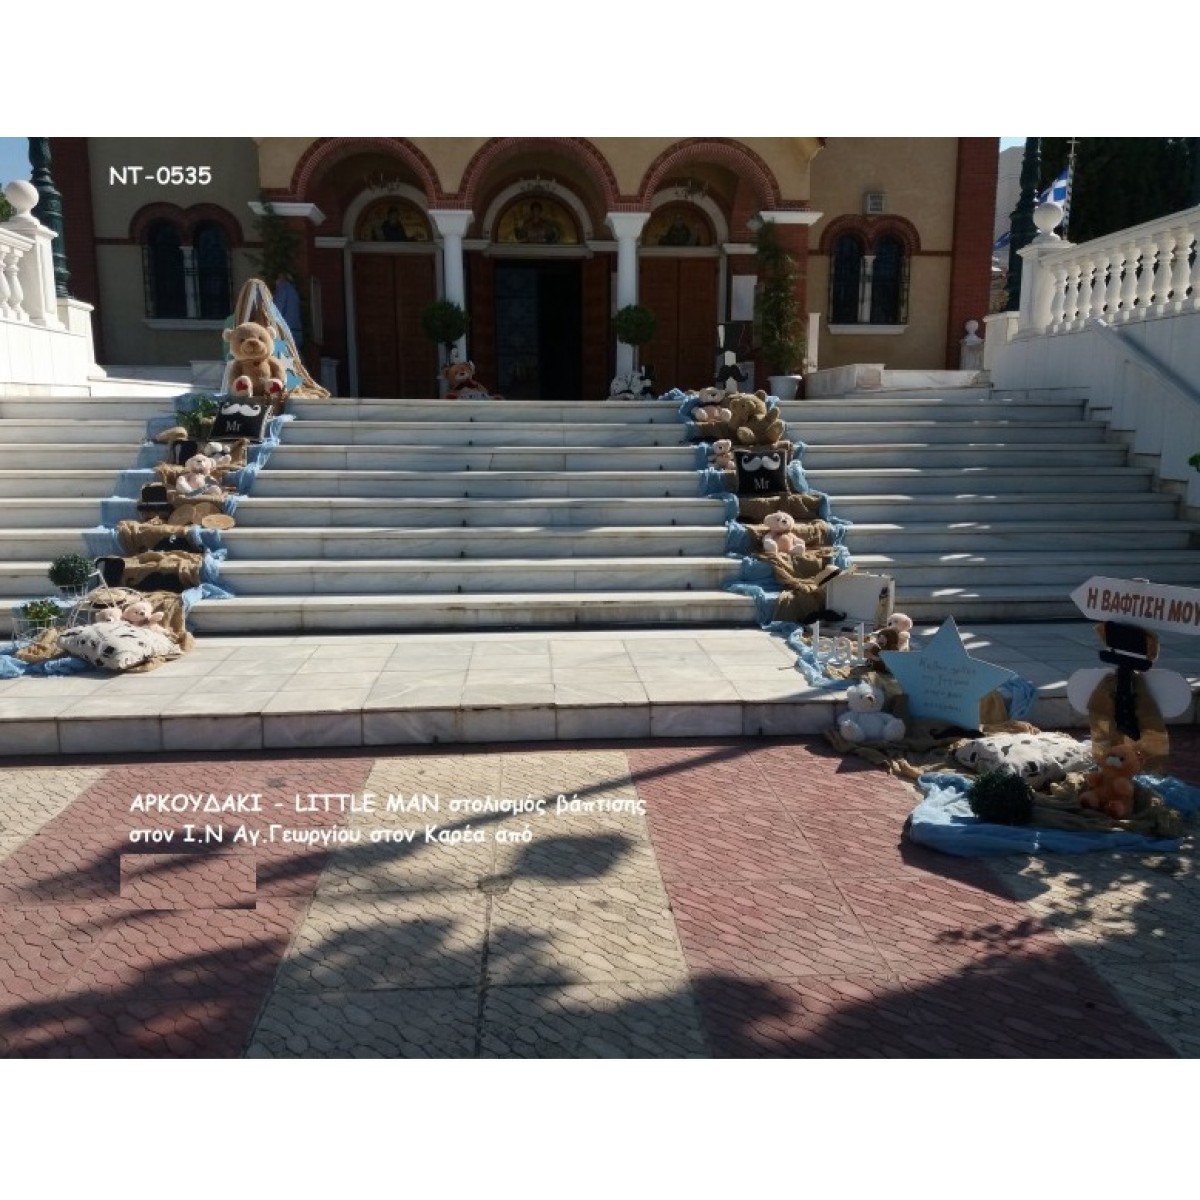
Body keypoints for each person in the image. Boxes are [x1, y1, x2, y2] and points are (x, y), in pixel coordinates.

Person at [273, 272, 303, 348]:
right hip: (297, 333)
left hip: (285, 333)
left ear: (280, 279)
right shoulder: (294, 291)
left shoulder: (282, 288)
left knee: (280, 354)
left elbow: (276, 311)